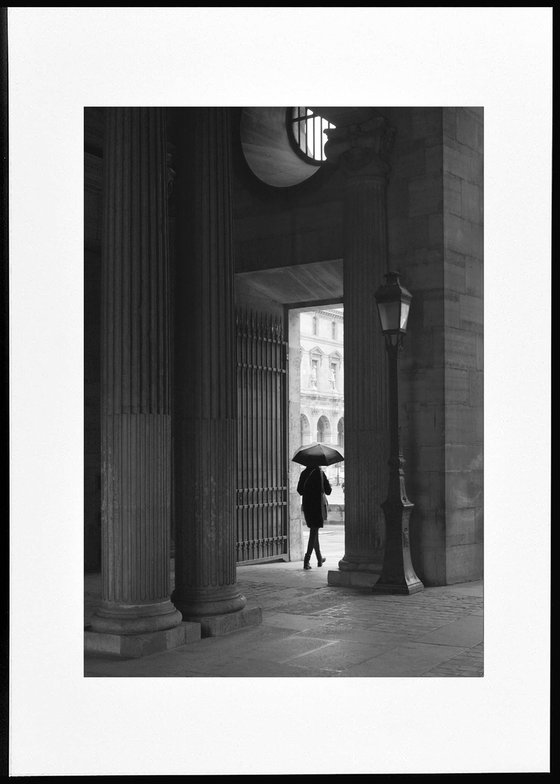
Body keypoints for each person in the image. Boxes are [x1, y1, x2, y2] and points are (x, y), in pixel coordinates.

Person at [297, 464, 332, 570]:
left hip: (307, 505)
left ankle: (319, 558)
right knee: (314, 532)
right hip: (317, 506)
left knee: (314, 531)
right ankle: (306, 560)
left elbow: (300, 490)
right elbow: (328, 491)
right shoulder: (320, 473)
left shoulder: (304, 473)